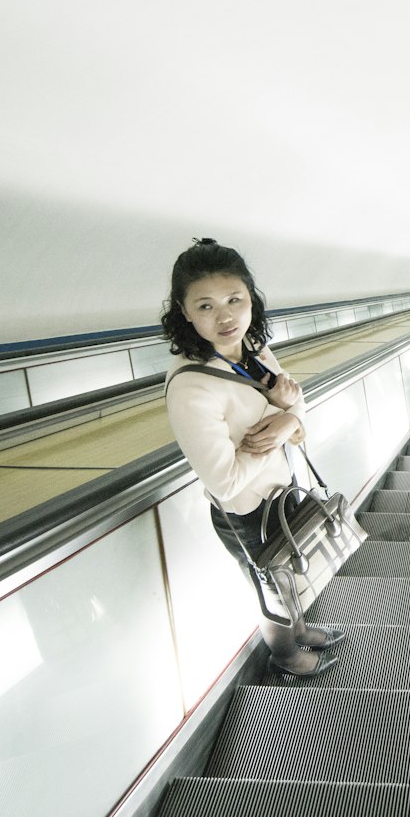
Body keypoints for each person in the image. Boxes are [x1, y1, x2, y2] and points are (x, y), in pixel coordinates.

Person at [161, 238, 344, 677]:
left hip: (282, 490)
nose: (225, 316)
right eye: (205, 306)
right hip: (246, 512)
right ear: (184, 312)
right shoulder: (191, 386)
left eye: (234, 300)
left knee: (292, 573)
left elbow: (296, 405)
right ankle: (285, 655)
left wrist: (287, 420)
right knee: (273, 590)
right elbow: (224, 482)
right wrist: (284, 425)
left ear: (250, 299)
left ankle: (301, 629)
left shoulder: (253, 351)